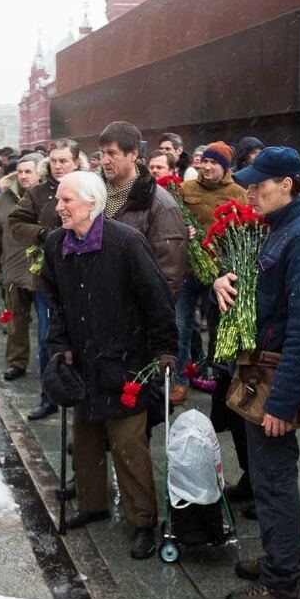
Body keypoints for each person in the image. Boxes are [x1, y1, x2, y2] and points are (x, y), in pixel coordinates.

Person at [212, 147, 300, 599]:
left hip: (276, 378)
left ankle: (283, 583)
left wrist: (282, 403)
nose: (249, 193)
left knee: (275, 480)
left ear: (287, 185)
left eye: (258, 186)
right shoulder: (280, 228)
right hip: (261, 368)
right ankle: (285, 558)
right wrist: (224, 279)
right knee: (266, 478)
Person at [40, 171, 177, 560]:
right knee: (85, 439)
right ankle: (93, 503)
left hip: (125, 361)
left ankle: (143, 520)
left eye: (67, 201)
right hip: (81, 360)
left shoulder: (126, 242)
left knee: (128, 443)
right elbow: (55, 300)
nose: (59, 207)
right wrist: (60, 344)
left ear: (91, 204)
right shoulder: (56, 244)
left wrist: (165, 349)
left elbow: (158, 299)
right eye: (59, 200)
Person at [8, 139, 83, 421]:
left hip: (86, 275)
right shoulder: (39, 193)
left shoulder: (91, 186)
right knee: (47, 338)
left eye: (64, 160)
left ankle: (82, 399)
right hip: (48, 278)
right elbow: (15, 223)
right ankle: (49, 396)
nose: (58, 165)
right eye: (54, 160)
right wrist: (42, 234)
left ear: (76, 161)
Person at [172, 141, 246, 406]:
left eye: (214, 162)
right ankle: (180, 381)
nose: (207, 166)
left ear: (224, 167)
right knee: (180, 326)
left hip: (220, 272)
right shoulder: (185, 189)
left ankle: (218, 377)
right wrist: (183, 230)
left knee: (218, 327)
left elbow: (244, 226)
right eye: (205, 161)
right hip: (188, 269)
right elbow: (172, 220)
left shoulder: (237, 192)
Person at [97, 121, 187, 298]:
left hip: (134, 310)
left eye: (111, 153)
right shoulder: (92, 194)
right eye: (102, 153)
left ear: (133, 154)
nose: (104, 160)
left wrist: (154, 318)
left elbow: (169, 272)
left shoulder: (161, 204)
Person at [0, 154, 43, 381]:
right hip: (14, 268)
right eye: (20, 172)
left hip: (42, 271)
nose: (24, 176)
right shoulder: (4, 199)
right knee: (15, 321)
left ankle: (50, 363)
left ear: (39, 172)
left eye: (29, 171)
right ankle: (17, 362)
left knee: (47, 324)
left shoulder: (48, 196)